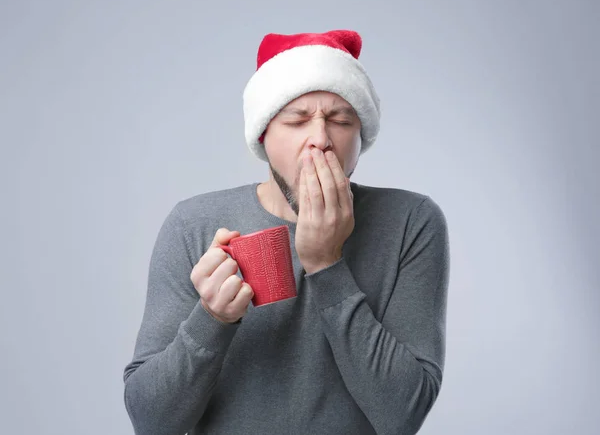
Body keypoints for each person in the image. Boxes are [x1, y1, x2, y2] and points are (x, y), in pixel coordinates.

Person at [123, 29, 450, 435]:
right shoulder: (193, 224)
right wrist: (212, 318)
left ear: (359, 135)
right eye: (296, 120)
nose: (320, 140)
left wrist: (327, 264)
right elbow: (151, 422)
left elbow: (403, 416)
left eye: (341, 120)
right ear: (264, 135)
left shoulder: (411, 221)